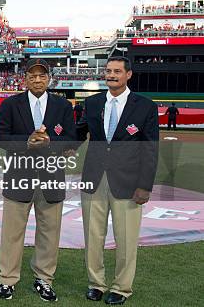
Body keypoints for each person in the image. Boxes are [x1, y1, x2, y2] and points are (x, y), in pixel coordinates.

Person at [77, 56, 159, 305]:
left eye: (117, 71)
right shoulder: (92, 103)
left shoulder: (145, 106)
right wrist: (52, 141)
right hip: (94, 178)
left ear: (128, 74)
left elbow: (150, 149)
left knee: (125, 239)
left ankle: (121, 288)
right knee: (93, 237)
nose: (111, 75)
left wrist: (145, 185)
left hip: (129, 182)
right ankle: (96, 284)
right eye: (108, 71)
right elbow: (78, 133)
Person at [0, 59, 77, 302]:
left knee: (49, 233)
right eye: (33, 75)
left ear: (49, 78)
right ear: (25, 79)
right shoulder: (11, 104)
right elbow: (0, 136)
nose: (37, 80)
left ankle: (44, 279)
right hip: (19, 176)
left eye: (42, 76)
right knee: (12, 233)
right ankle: (7, 279)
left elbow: (72, 138)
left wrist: (51, 143)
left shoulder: (62, 106)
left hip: (51, 177)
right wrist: (26, 142)